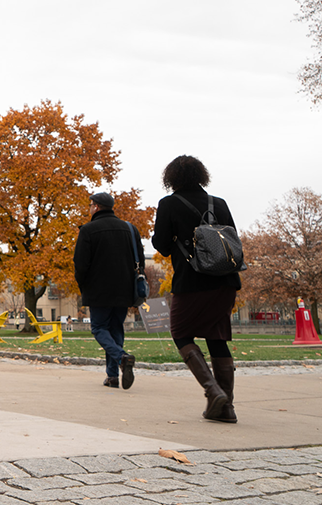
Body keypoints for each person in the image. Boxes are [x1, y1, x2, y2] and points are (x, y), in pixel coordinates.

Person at [151, 155, 241, 423]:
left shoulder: (168, 204)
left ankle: (213, 392)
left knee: (180, 332)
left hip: (192, 281)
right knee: (217, 337)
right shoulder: (219, 203)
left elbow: (163, 245)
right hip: (226, 281)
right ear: (201, 175)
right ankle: (227, 408)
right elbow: (233, 238)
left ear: (171, 178)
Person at [72, 191, 144, 390]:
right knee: (115, 328)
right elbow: (140, 260)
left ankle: (122, 357)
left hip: (98, 289)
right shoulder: (130, 229)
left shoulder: (88, 230)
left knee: (98, 328)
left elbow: (80, 263)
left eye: (90, 205)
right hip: (124, 289)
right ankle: (112, 376)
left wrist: (83, 286)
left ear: (95, 207)